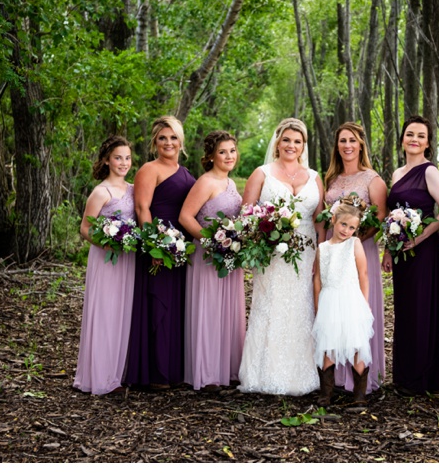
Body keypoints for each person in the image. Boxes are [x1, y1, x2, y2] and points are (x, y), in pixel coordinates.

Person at [237, 118, 325, 396]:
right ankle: (264, 374)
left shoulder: (313, 176)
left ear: (303, 146)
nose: (291, 145)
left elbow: (319, 219)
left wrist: (320, 256)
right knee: (272, 306)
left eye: (297, 141)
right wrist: (268, 232)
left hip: (307, 250)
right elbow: (246, 214)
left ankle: (302, 374)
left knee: (302, 308)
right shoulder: (262, 173)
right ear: (277, 142)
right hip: (272, 254)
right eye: (286, 139)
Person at [381, 115, 439, 395]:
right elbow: (391, 215)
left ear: (427, 143)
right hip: (402, 254)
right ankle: (405, 375)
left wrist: (421, 236)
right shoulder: (398, 173)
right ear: (402, 139)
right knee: (406, 310)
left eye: (420, 135)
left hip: (424, 253)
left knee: (423, 309)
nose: (414, 139)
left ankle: (423, 377)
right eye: (409, 134)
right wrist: (388, 248)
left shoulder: (429, 172)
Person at [124, 116, 196, 390]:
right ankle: (155, 372)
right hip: (157, 247)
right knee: (158, 307)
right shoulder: (149, 169)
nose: (168, 142)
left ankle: (173, 369)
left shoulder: (185, 171)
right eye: (162, 137)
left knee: (175, 306)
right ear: (155, 142)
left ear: (181, 141)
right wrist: (153, 245)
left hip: (180, 248)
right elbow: (142, 209)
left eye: (173, 137)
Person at [323, 122, 387, 395]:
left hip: (360, 252)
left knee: (358, 310)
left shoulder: (372, 179)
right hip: (332, 253)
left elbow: (381, 217)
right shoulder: (332, 180)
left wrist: (355, 241)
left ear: (361, 144)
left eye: (352, 140)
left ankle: (359, 380)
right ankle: (335, 379)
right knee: (333, 311)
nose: (347, 145)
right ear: (337, 146)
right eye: (342, 141)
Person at [179, 131, 245, 392]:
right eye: (223, 152)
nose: (229, 156)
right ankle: (206, 373)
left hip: (229, 256)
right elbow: (186, 217)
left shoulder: (231, 183)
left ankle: (227, 369)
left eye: (232, 150)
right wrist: (209, 242)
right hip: (207, 256)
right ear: (210, 156)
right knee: (209, 310)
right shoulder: (205, 182)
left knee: (228, 311)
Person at [73, 135, 136, 395]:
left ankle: (119, 373)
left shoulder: (133, 189)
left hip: (128, 260)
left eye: (127, 158)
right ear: (108, 160)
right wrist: (106, 243)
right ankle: (101, 376)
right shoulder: (101, 192)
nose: (123, 163)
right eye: (118, 158)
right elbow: (85, 228)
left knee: (124, 313)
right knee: (105, 313)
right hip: (106, 259)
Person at [312, 196, 374, 406]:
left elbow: (363, 274)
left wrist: (364, 303)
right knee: (328, 346)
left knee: (356, 344)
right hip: (329, 300)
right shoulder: (323, 248)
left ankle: (359, 395)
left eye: (351, 227)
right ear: (333, 220)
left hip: (350, 299)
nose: (346, 230)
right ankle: (326, 394)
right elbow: (318, 278)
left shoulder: (354, 244)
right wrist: (318, 304)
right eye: (343, 224)